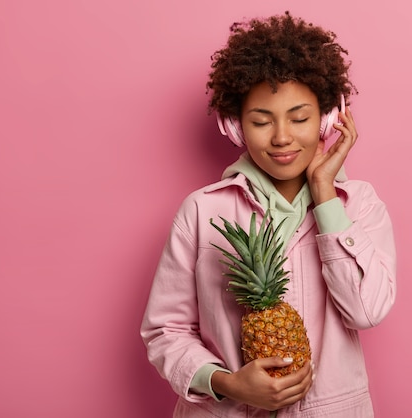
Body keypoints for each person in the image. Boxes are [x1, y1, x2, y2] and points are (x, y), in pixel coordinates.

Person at [140, 11, 397, 417]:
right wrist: (225, 383)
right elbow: (165, 330)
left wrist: (326, 195)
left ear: (328, 118)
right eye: (261, 121)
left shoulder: (359, 205)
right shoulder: (203, 210)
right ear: (236, 126)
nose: (281, 137)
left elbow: (367, 311)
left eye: (300, 118)